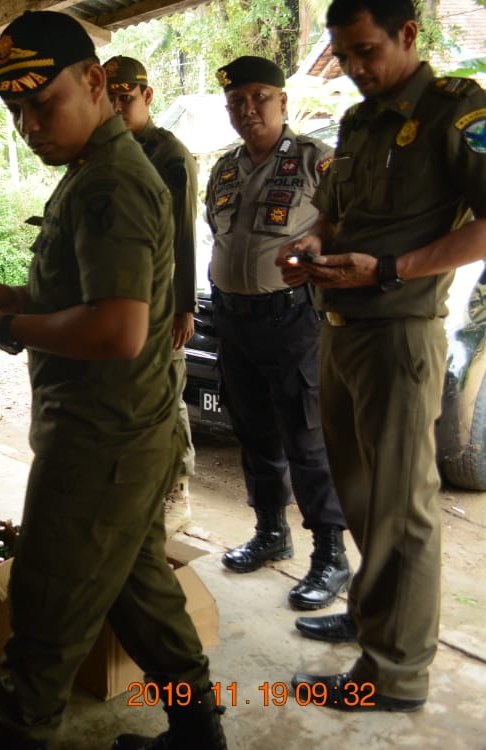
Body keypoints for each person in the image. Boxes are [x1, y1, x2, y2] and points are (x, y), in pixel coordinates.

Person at [0, 12, 225, 750]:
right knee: (139, 590)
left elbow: (118, 332)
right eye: (16, 110)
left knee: (48, 607)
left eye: (41, 102)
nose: (28, 123)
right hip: (124, 431)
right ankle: (198, 735)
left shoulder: (108, 185)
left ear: (95, 82)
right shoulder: (95, 171)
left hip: (101, 442)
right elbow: (103, 304)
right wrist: (18, 302)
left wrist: (3, 328)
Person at [280, 0, 486, 711]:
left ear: (408, 35)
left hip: (400, 334)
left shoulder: (455, 109)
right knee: (365, 496)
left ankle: (395, 675)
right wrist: (310, 244)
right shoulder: (360, 119)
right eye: (344, 52)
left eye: (367, 50)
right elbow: (336, 213)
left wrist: (392, 269)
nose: (355, 67)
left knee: (403, 507)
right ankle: (377, 619)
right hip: (340, 327)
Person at [205, 56, 351, 611]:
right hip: (233, 319)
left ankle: (330, 555)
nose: (248, 110)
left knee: (306, 438)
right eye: (237, 101)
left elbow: (343, 223)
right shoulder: (223, 169)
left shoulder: (317, 160)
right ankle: (271, 532)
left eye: (259, 97)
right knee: (254, 433)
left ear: (283, 102)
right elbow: (217, 232)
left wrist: (318, 241)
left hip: (291, 319)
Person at [103, 55, 198, 534]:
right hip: (120, 296)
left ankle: (177, 488)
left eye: (127, 98)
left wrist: (185, 305)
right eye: (110, 98)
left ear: (147, 98)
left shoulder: (169, 155)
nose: (118, 107)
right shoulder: (107, 149)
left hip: (161, 300)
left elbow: (183, 236)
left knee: (166, 389)